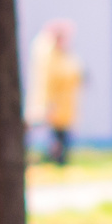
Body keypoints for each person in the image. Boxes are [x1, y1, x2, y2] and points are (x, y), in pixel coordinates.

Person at [32, 18, 84, 165]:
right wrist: (49, 104)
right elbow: (49, 82)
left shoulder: (66, 56)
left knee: (62, 136)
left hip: (66, 106)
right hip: (55, 105)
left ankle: (56, 159)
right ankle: (52, 159)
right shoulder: (50, 57)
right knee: (55, 136)